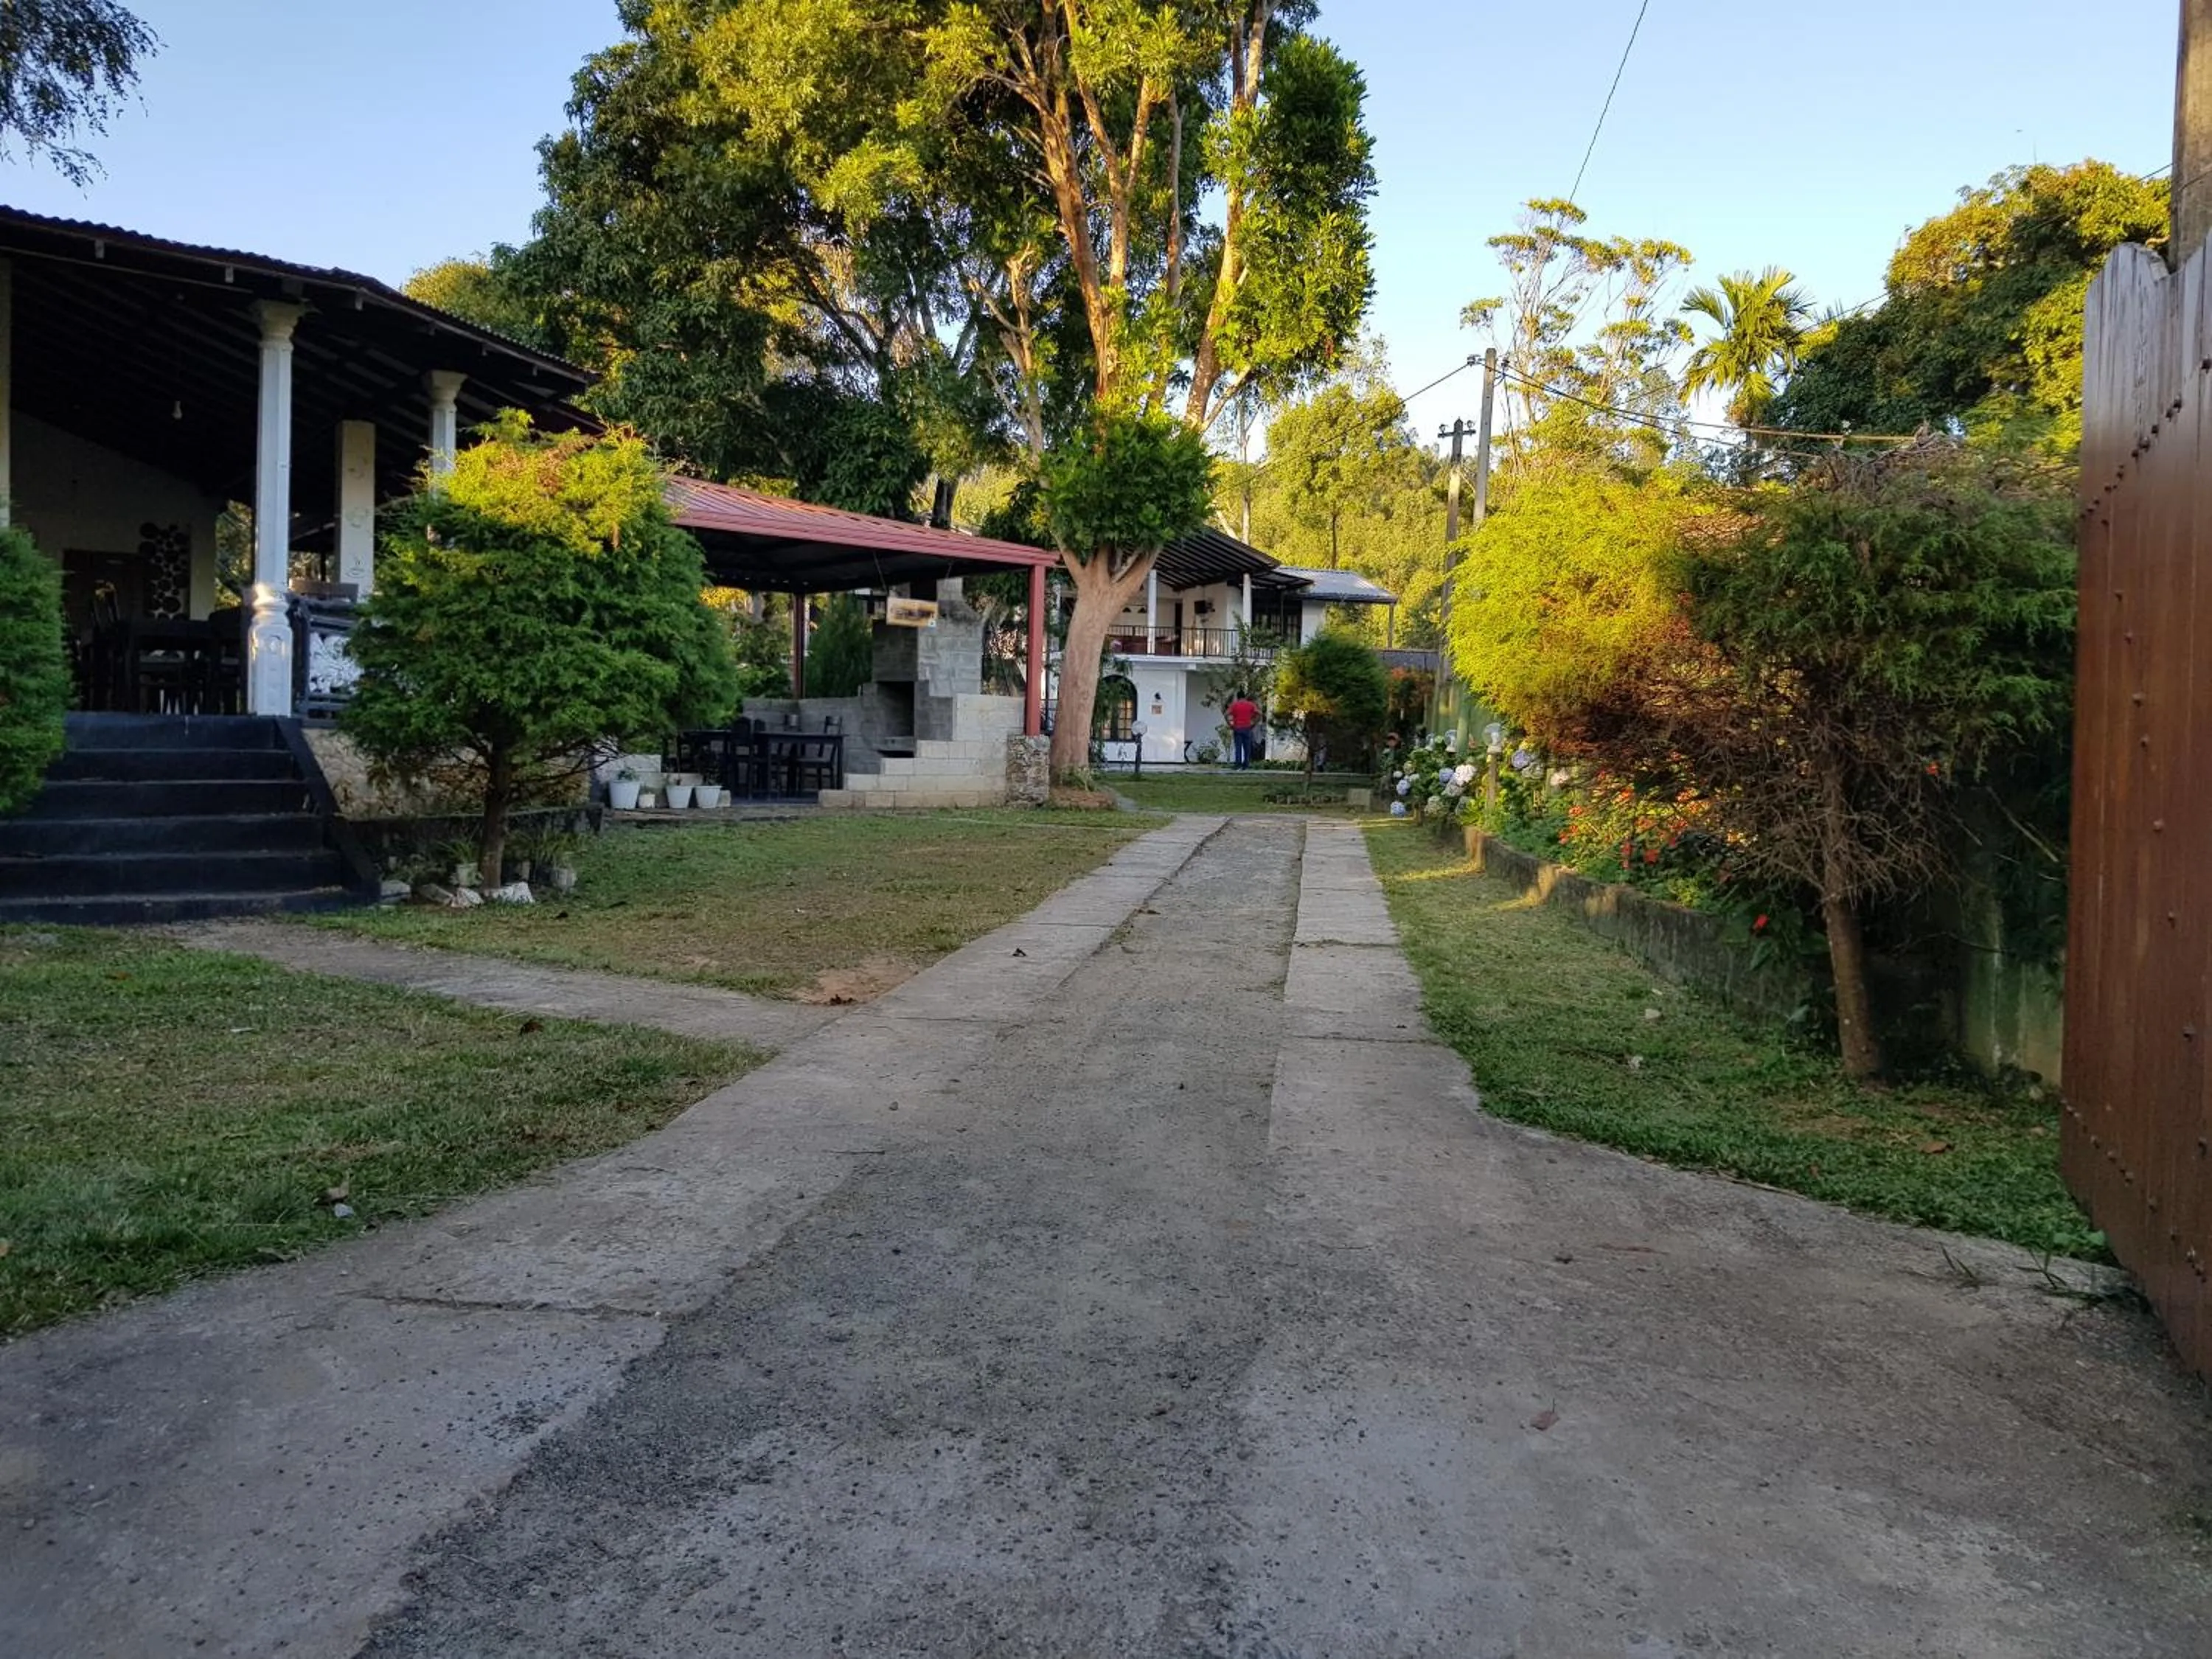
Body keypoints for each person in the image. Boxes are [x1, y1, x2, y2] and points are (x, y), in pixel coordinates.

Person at [1225, 689, 1261, 769]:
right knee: (1247, 748)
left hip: (1237, 728)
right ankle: (1246, 764)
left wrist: (1230, 725)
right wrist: (1254, 723)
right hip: (1247, 728)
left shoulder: (1234, 705)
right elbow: (1259, 714)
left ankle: (1238, 764)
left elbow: (1226, 715)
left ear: (1237, 697)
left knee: (1238, 747)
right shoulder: (1250, 705)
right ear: (1244, 697)